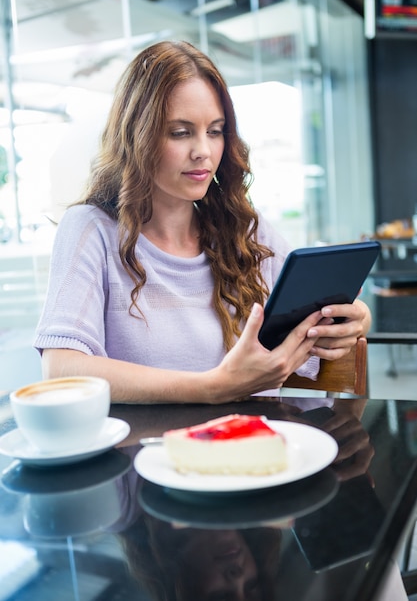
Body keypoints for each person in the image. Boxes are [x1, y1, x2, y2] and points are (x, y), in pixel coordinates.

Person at [34, 40, 371, 404]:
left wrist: (353, 320)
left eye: (215, 131)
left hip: (256, 449)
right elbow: (61, 369)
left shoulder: (244, 229)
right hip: (151, 455)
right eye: (180, 132)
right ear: (137, 136)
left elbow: (316, 323)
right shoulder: (92, 229)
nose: (204, 151)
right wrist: (213, 387)